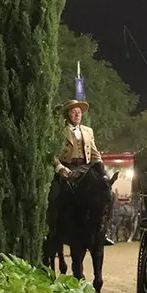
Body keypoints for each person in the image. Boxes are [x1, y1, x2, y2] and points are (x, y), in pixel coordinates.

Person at [51, 98, 113, 246]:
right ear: (67, 115)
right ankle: (52, 231)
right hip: (67, 168)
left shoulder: (88, 131)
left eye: (79, 112)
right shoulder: (59, 131)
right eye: (74, 112)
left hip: (86, 169)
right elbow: (51, 153)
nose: (77, 115)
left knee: (108, 193)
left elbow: (94, 153)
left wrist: (101, 170)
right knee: (54, 194)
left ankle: (104, 230)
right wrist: (60, 168)